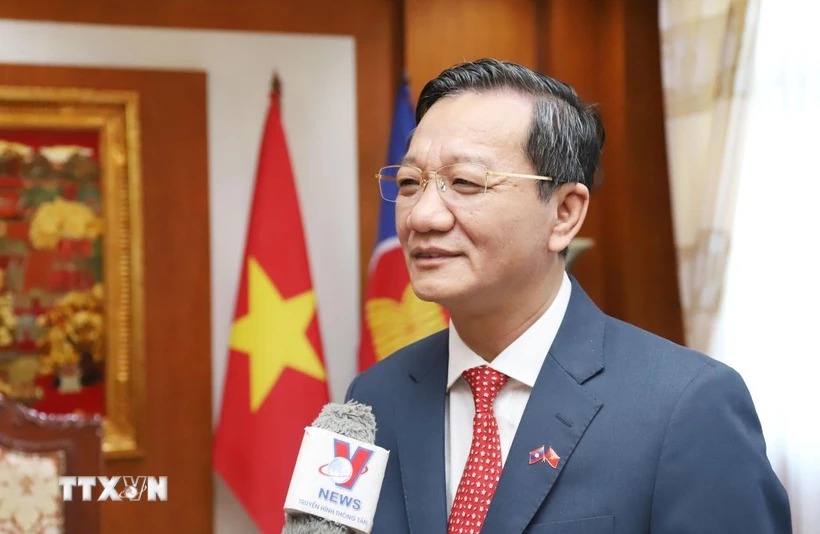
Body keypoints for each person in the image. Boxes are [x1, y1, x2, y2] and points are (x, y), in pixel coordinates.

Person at [345, 58, 790, 534]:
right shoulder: (372, 399)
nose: (422, 216)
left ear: (564, 213)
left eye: (465, 183)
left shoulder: (686, 405)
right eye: (409, 183)